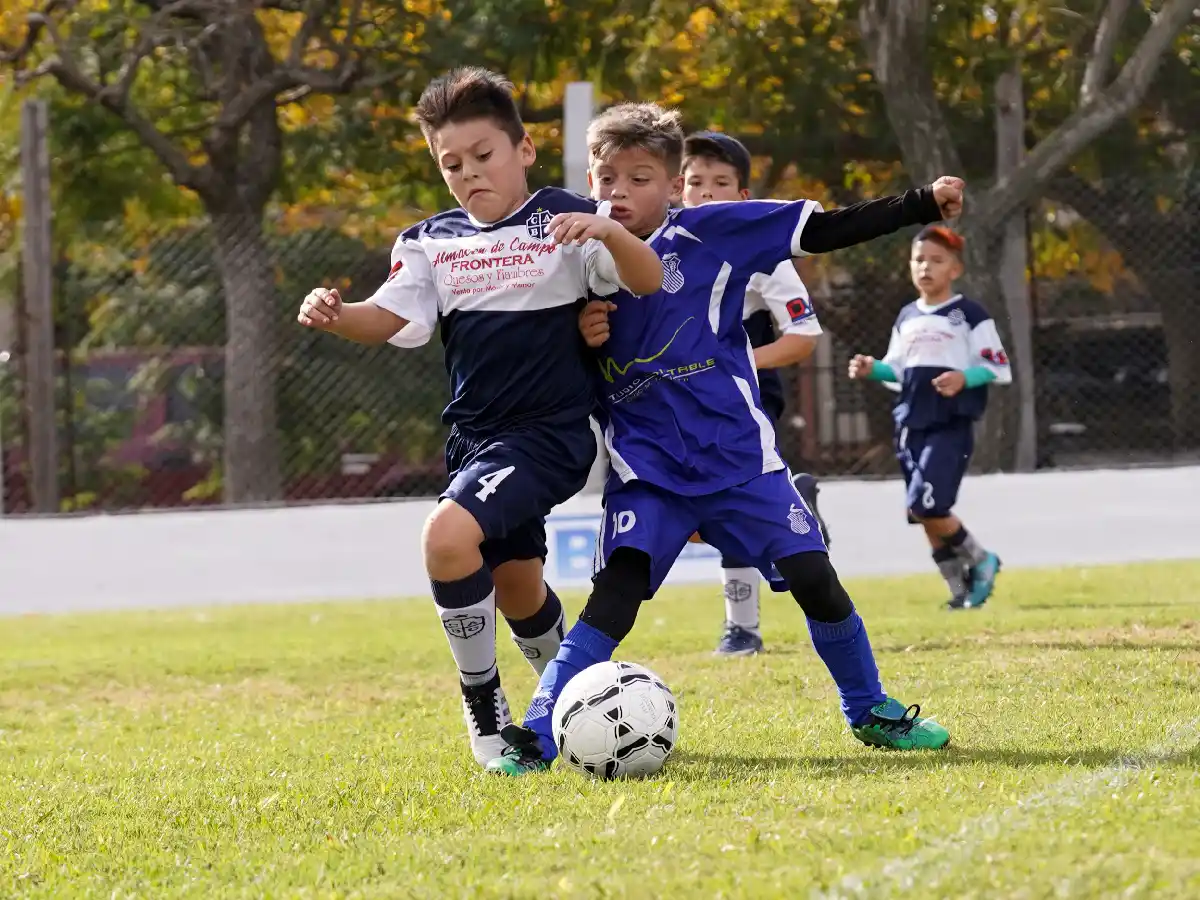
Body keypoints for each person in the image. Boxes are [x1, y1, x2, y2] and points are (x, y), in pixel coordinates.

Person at [486, 102, 965, 776]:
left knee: (814, 579)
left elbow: (822, 229)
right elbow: (536, 353)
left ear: (675, 182)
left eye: (639, 177)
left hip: (740, 461)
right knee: (616, 594)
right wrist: (579, 336)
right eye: (605, 177)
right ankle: (536, 733)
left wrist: (919, 203)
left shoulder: (714, 232)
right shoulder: (576, 258)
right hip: (647, 471)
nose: (617, 192)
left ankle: (869, 709)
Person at [295, 68, 663, 767]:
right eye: (451, 164)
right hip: (475, 441)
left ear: (525, 148)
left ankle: (487, 721)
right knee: (518, 587)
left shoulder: (570, 219)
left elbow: (645, 280)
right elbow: (390, 317)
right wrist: (339, 316)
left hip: (551, 434)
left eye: (484, 155)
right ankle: (584, 705)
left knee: (445, 539)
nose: (469, 174)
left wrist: (606, 235)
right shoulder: (430, 241)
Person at [848, 225, 1009, 609]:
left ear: (955, 269)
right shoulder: (907, 317)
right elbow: (899, 371)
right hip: (910, 424)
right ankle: (957, 589)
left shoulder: (969, 314)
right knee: (922, 513)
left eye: (937, 261)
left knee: (927, 505)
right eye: (920, 259)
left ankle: (981, 559)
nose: (926, 267)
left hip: (948, 424)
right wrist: (873, 369)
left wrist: (963, 378)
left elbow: (998, 367)